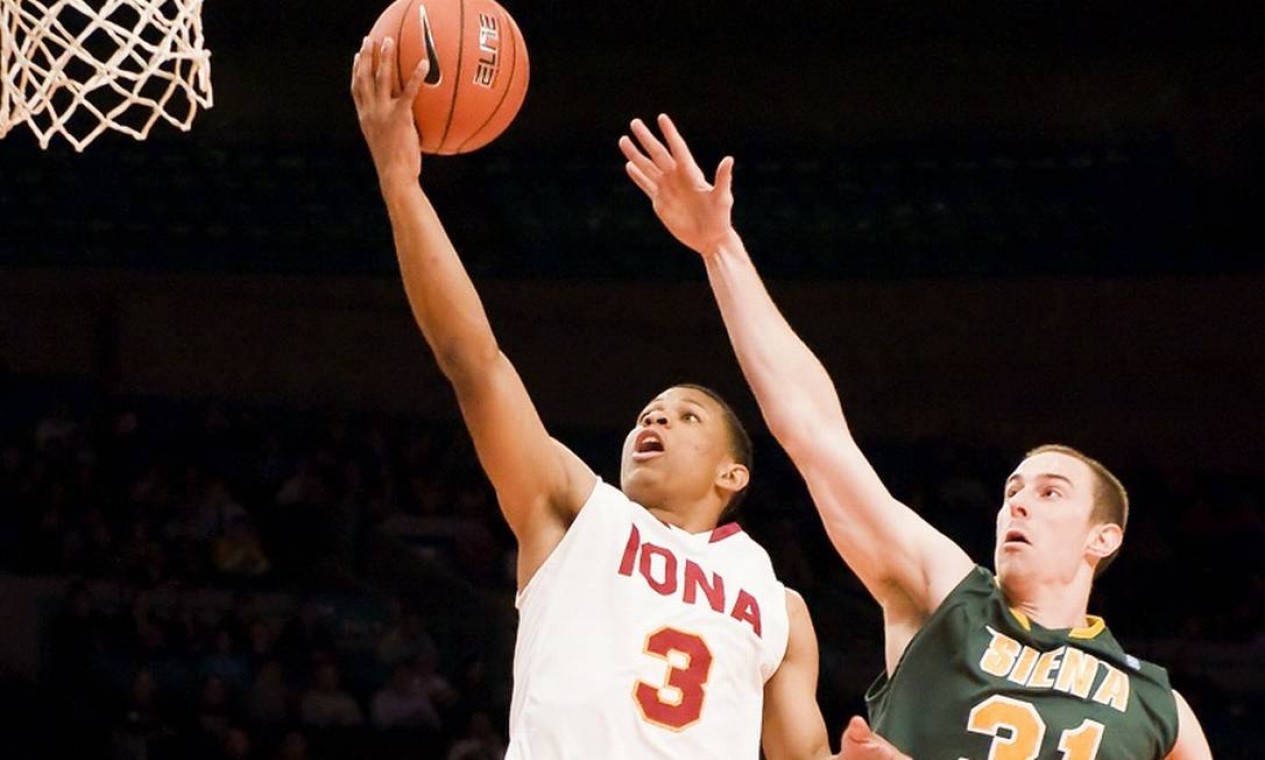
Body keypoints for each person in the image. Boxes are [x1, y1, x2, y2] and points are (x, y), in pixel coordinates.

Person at [350, 37, 907, 760]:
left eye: (685, 415)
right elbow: (474, 362)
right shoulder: (574, 510)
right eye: (650, 410)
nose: (654, 417)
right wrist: (401, 183)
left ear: (731, 475)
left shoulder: (779, 606)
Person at [620, 113, 1216, 759]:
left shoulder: (1159, 708)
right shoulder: (944, 597)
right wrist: (719, 249)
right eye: (1013, 489)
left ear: (1103, 536)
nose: (1015, 502)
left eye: (1049, 493)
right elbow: (814, 432)